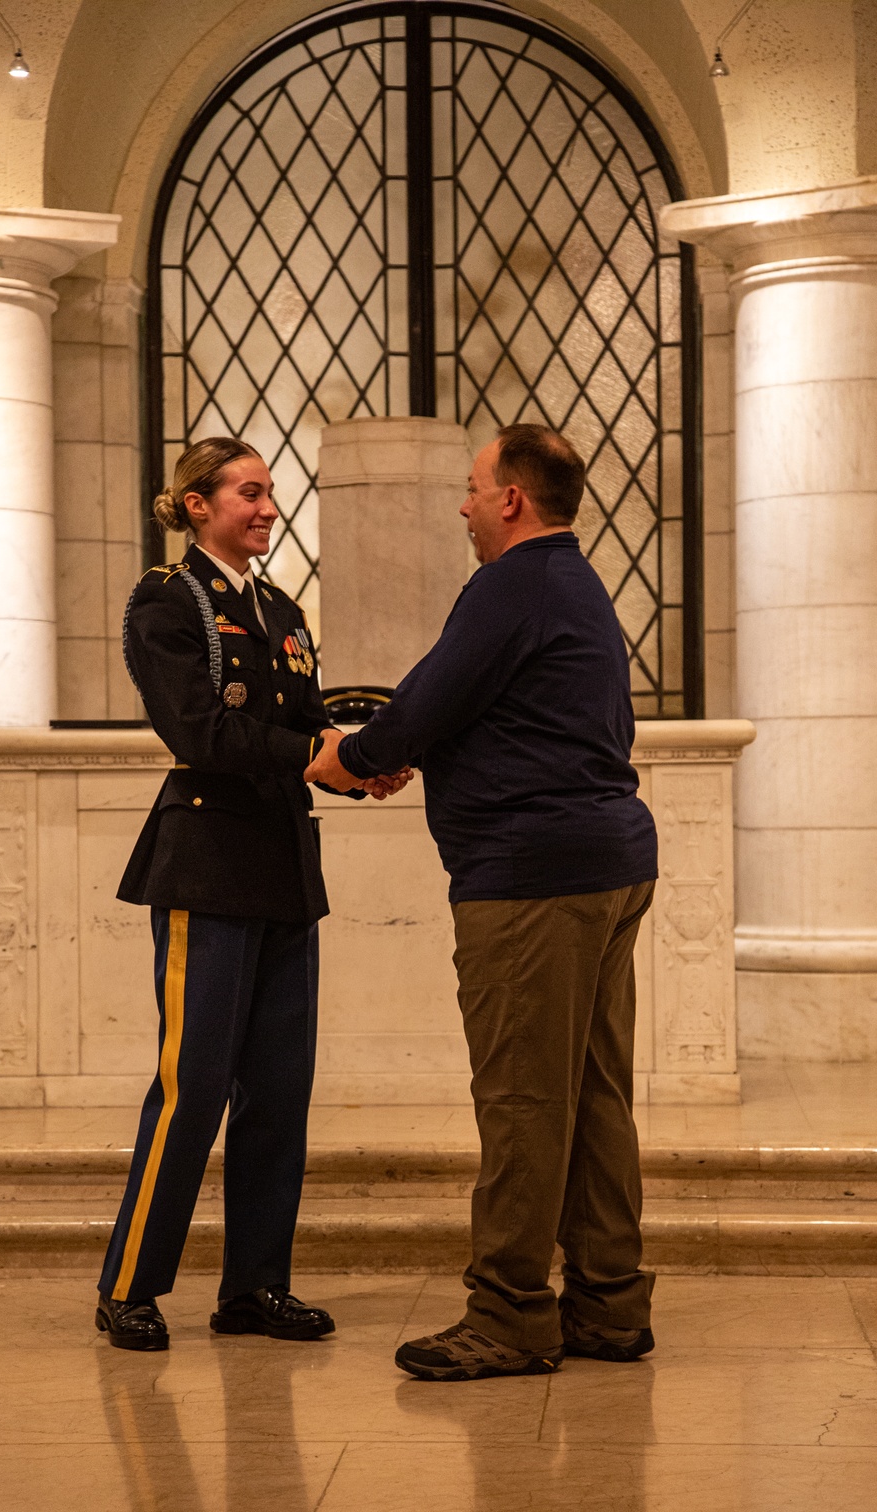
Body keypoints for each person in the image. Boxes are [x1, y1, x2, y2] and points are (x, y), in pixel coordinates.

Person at [305, 423, 658, 1381]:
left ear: (511, 499)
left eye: (472, 489)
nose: (462, 506)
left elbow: (433, 696)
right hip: (609, 864)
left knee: (523, 1103)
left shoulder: (512, 581)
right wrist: (410, 743)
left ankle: (509, 1315)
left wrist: (357, 757)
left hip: (534, 877)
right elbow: (492, 706)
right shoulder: (577, 585)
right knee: (592, 1096)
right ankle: (610, 1305)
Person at [96, 436, 408, 1352]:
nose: (268, 508)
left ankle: (255, 1287)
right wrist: (313, 758)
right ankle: (130, 1287)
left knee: (279, 1089)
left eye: (270, 494)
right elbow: (198, 730)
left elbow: (307, 723)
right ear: (197, 504)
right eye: (250, 493)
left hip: (282, 868)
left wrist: (360, 763)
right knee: (192, 1087)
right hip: (208, 861)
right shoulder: (168, 600)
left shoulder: (278, 607)